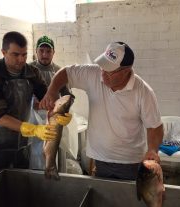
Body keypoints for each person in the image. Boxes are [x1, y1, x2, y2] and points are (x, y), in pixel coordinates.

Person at [39, 41, 163, 180]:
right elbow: (65, 73)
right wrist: (52, 91)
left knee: (127, 200)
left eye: (110, 70)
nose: (103, 73)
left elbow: (155, 127)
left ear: (126, 70)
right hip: (100, 160)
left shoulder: (144, 92)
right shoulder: (94, 73)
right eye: (103, 66)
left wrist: (152, 149)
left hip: (131, 163)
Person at [0, 31, 71, 172]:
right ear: (3, 52)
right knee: (0, 179)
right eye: (15, 55)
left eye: (24, 55)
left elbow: (45, 100)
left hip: (23, 140)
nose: (21, 60)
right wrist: (33, 129)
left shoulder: (32, 72)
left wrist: (59, 111)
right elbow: (0, 117)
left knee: (22, 178)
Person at [29, 35, 71, 170]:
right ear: (36, 51)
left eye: (48, 51)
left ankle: (57, 183)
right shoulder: (27, 70)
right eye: (41, 51)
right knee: (35, 153)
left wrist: (66, 112)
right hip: (33, 121)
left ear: (54, 53)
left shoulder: (60, 72)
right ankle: (39, 185)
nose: (44, 55)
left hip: (54, 120)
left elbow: (68, 96)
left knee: (57, 154)